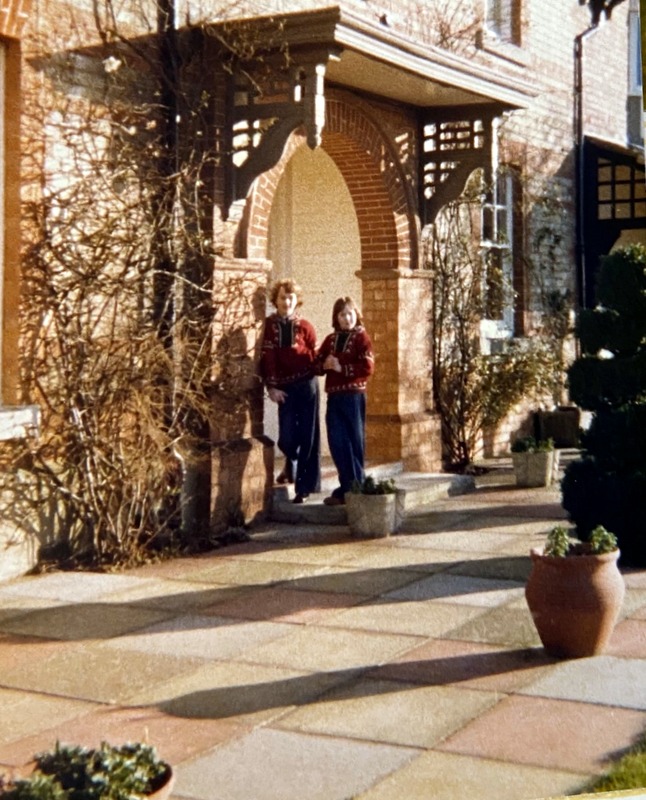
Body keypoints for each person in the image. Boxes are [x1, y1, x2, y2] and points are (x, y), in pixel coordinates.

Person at [259, 278, 321, 503]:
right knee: (286, 437)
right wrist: (272, 387)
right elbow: (267, 359)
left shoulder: (306, 327)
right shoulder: (269, 326)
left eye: (291, 297)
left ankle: (303, 489)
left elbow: (315, 358)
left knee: (307, 435)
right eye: (283, 297)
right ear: (275, 300)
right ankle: (290, 462)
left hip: (307, 386)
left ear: (297, 301)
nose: (287, 302)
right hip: (284, 389)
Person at [315, 296, 374, 506]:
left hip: (354, 397)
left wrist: (342, 368)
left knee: (354, 441)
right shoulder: (331, 340)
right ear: (336, 317)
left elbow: (368, 367)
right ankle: (347, 485)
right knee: (337, 441)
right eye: (342, 314)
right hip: (335, 397)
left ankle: (356, 486)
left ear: (356, 315)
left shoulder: (362, 338)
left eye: (350, 313)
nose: (346, 318)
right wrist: (325, 364)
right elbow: (316, 363)